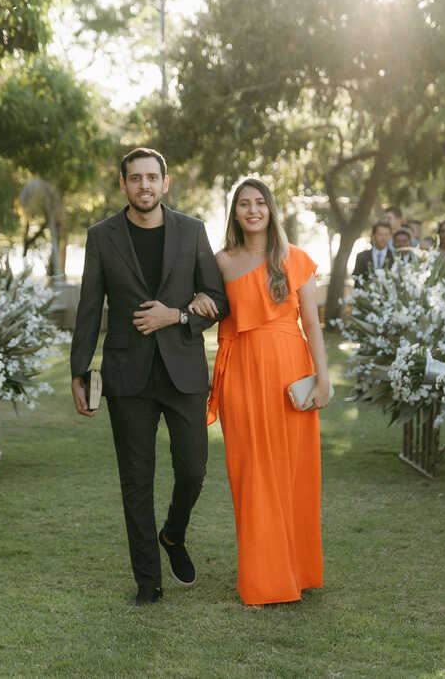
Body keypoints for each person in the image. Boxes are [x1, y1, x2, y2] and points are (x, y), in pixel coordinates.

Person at [69, 148, 228, 606]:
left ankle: (173, 535)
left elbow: (218, 297)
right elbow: (88, 307)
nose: (144, 185)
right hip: (127, 375)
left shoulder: (192, 231)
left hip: (183, 371)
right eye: (135, 178)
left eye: (151, 177)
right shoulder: (102, 236)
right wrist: (79, 371)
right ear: (123, 185)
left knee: (193, 470)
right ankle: (148, 581)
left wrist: (176, 316)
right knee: (136, 480)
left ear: (165, 182)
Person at [190, 177, 328, 606]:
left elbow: (312, 324)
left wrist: (323, 378)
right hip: (242, 374)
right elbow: (205, 306)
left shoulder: (294, 259)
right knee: (251, 473)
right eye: (244, 204)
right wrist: (196, 303)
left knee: (292, 472)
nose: (252, 210)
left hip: (290, 372)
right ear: (235, 213)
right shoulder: (220, 262)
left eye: (259, 203)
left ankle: (297, 571)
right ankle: (265, 580)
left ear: (271, 210)